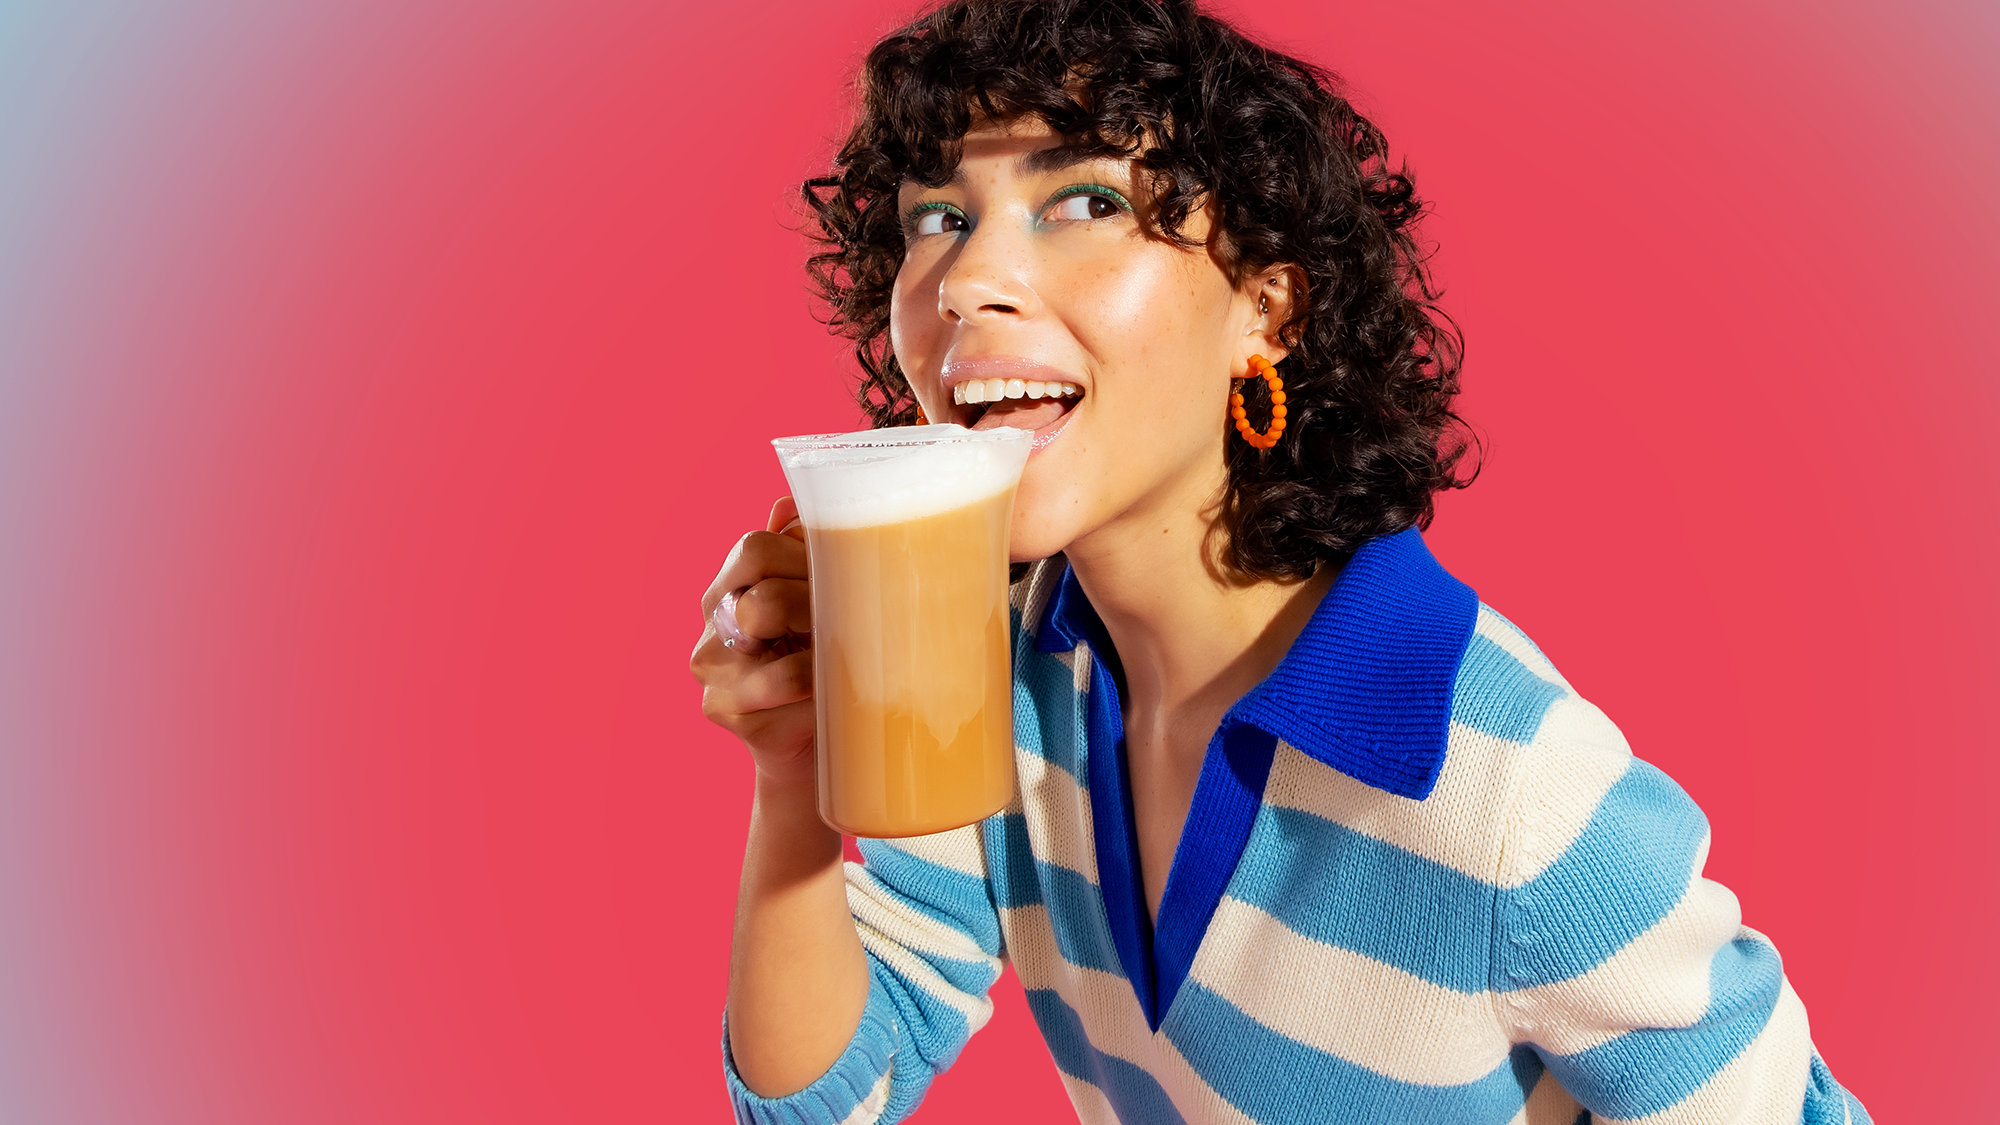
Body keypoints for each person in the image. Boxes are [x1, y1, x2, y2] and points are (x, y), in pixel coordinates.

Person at [690, 0, 1870, 1121]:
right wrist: (797, 782)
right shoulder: (983, 665)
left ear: (1266, 309)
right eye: (934, 219)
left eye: (1087, 202)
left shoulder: (1503, 788)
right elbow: (834, 1093)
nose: (965, 285)